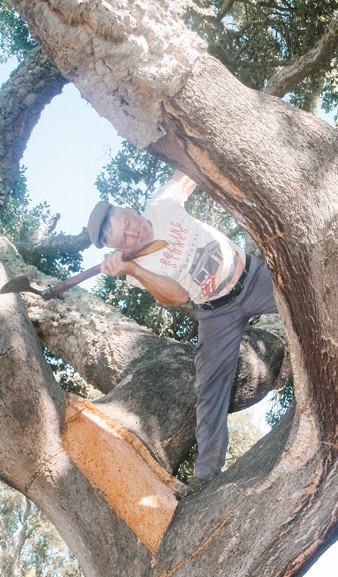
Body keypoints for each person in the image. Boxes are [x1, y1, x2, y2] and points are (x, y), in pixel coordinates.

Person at [87, 170, 277, 487]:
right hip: (218, 312)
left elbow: (187, 173)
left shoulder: (162, 204)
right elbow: (176, 296)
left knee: (305, 291)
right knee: (209, 387)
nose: (131, 235)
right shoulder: (137, 269)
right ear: (117, 248)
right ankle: (206, 477)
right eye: (123, 239)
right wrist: (131, 267)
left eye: (128, 225)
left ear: (130, 211)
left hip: (252, 276)